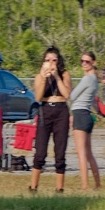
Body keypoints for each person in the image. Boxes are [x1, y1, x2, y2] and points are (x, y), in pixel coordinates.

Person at [29, 46, 72, 194]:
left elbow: (67, 94)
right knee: (40, 151)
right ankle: (33, 187)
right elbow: (38, 97)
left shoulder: (65, 74)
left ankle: (59, 188)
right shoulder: (39, 76)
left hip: (61, 110)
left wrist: (57, 77)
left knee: (60, 151)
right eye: (48, 60)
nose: (51, 63)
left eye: (54, 60)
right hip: (45, 109)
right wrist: (43, 77)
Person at [70, 51, 101, 190]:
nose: (84, 63)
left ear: (93, 63)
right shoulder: (94, 79)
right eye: (82, 61)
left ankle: (85, 185)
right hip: (87, 114)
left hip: (80, 114)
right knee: (88, 153)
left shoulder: (87, 78)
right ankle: (97, 184)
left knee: (81, 153)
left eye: (87, 61)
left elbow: (72, 96)